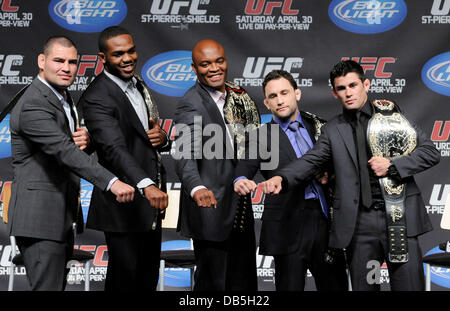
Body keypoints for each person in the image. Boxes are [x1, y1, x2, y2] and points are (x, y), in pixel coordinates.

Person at [260, 60, 440, 291]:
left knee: (408, 287)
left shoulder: (391, 115)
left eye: (353, 85)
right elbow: (310, 160)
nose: (348, 93)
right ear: (334, 93)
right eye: (341, 88)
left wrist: (393, 165)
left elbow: (430, 152)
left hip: (398, 220)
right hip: (359, 226)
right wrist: (282, 178)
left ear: (366, 84)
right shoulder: (332, 130)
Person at [7, 36, 135, 291]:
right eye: (59, 60)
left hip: (58, 218)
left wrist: (84, 138)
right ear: (41, 62)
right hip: (39, 220)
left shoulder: (61, 97)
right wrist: (111, 182)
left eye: (72, 62)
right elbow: (64, 150)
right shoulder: (34, 102)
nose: (66, 67)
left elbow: (67, 145)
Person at [233, 70, 348, 291]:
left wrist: (330, 174)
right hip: (285, 224)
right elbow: (244, 168)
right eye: (273, 96)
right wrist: (239, 180)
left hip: (325, 222)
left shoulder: (322, 127)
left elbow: (340, 167)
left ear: (297, 93)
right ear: (267, 103)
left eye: (284, 93)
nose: (279, 100)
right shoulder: (261, 135)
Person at [78, 26, 169, 291]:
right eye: (118, 54)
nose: (128, 58)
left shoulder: (138, 84)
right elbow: (114, 149)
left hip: (149, 205)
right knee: (124, 281)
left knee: (146, 279)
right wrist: (147, 185)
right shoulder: (97, 96)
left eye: (131, 51)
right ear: (102, 58)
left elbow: (142, 137)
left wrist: (162, 139)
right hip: (123, 203)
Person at [174, 39, 260, 291]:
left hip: (240, 207)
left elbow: (255, 145)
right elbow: (183, 155)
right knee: (213, 286)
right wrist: (196, 187)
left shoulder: (239, 96)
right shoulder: (191, 103)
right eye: (205, 64)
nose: (213, 68)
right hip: (210, 208)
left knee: (243, 284)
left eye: (218, 61)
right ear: (194, 68)